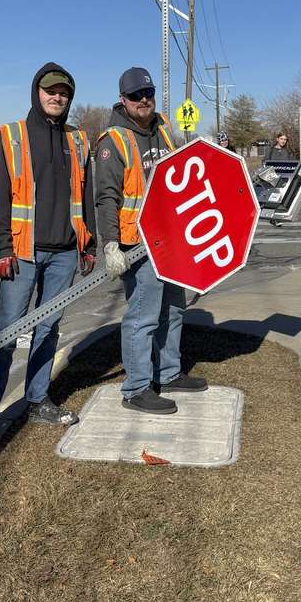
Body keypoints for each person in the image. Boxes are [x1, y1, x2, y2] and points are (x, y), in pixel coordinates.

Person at [0, 63, 98, 445]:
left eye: (64, 93)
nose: (57, 97)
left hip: (64, 255)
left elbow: (85, 196)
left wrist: (87, 243)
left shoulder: (77, 140)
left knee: (49, 329)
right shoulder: (12, 136)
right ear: (36, 92)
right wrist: (2, 249)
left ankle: (38, 398)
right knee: (6, 333)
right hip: (22, 253)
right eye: (51, 90)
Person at [96, 66, 208, 414]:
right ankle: (136, 388)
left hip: (170, 241)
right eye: (135, 96)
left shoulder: (163, 131)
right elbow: (106, 197)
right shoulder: (113, 141)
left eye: (148, 93)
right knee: (143, 317)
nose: (144, 100)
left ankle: (170, 372)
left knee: (173, 309)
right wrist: (111, 243)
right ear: (123, 100)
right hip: (137, 245)